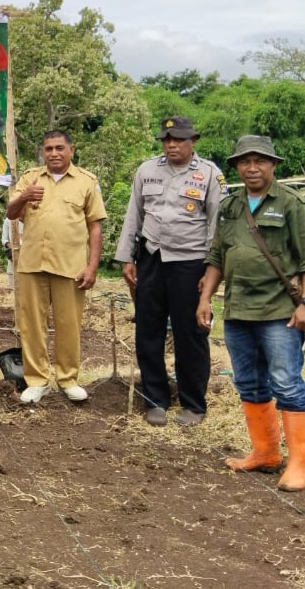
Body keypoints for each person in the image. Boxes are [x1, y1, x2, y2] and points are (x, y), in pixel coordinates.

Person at [197, 135, 305, 493]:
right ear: (237, 167)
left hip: (279, 311)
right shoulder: (230, 206)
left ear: (274, 165)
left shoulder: (291, 204)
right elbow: (217, 257)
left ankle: (298, 465)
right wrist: (205, 299)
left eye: (260, 161)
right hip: (239, 310)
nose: (252, 168)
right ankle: (265, 453)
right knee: (248, 382)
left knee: (287, 383)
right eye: (245, 162)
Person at [115, 116, 226, 427]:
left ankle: (193, 404)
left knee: (189, 333)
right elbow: (133, 216)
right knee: (147, 330)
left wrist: (212, 270)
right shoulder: (147, 170)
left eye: (178, 139)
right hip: (151, 258)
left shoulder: (209, 175)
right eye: (166, 139)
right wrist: (127, 258)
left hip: (190, 263)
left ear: (193, 141)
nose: (171, 145)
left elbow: (218, 227)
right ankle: (155, 400)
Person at [6, 130, 106, 404]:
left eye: (59, 148)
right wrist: (24, 196)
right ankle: (36, 380)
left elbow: (95, 226)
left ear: (71, 150)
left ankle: (68, 379)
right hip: (32, 263)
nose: (54, 153)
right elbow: (11, 213)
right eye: (48, 148)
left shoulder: (86, 182)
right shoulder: (30, 178)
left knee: (69, 324)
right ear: (43, 151)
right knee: (31, 325)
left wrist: (92, 267)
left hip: (70, 266)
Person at [1, 218, 22, 289]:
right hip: (14, 255)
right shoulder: (8, 220)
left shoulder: (31, 217)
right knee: (13, 287)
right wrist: (11, 246)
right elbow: (4, 239)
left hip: (28, 256)